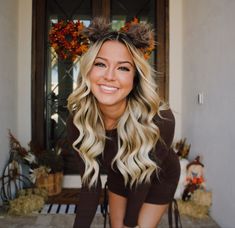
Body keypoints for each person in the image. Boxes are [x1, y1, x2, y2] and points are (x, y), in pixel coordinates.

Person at [67, 17, 180, 228]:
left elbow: (142, 180)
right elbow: (90, 185)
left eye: (123, 68)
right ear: (88, 70)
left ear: (135, 78)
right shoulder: (78, 120)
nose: (110, 76)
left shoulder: (160, 119)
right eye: (100, 64)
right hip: (118, 173)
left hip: (157, 177)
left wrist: (130, 224)